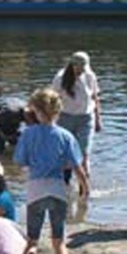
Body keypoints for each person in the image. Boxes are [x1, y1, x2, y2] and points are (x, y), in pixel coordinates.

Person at [14, 87, 89, 254]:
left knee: (32, 241)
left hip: (36, 188)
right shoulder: (66, 136)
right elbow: (77, 166)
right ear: (57, 111)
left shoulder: (28, 134)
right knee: (59, 241)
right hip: (58, 188)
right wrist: (85, 187)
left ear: (36, 110)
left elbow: (21, 162)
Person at [51, 51, 102, 181]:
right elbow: (53, 100)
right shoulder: (60, 78)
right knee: (65, 152)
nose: (81, 71)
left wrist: (98, 119)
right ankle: (65, 183)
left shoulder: (89, 76)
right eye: (78, 68)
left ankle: (84, 188)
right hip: (65, 117)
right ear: (72, 65)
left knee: (83, 153)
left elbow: (95, 97)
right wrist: (51, 120)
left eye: (83, 68)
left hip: (85, 118)